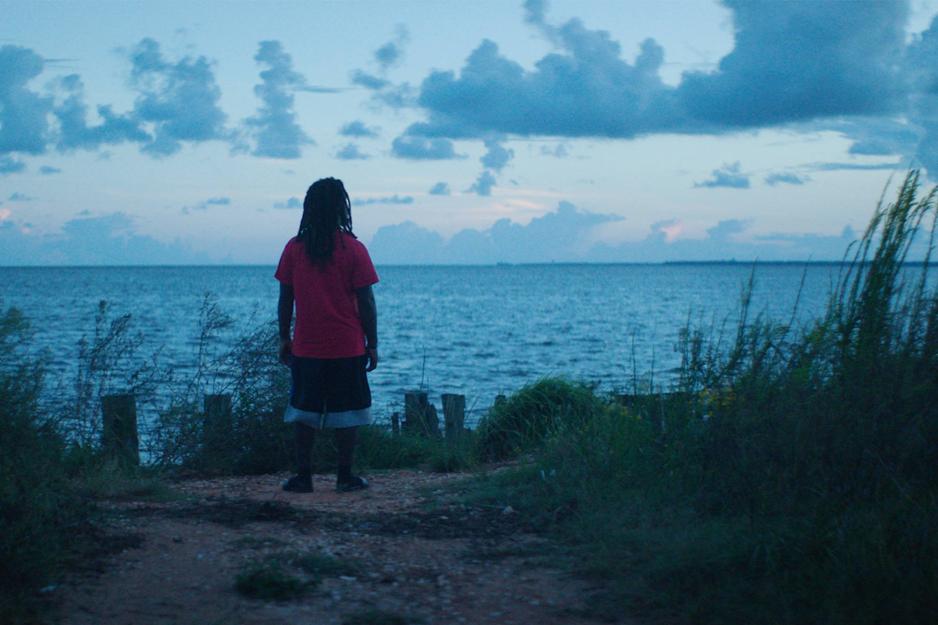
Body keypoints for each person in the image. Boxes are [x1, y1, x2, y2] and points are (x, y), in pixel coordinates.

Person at [274, 177, 379, 493]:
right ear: (340, 208)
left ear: (309, 209)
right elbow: (367, 301)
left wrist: (283, 337)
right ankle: (345, 476)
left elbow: (285, 299)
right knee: (348, 413)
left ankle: (303, 477)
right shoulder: (354, 249)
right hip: (347, 346)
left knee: (303, 413)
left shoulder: (294, 249)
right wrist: (372, 344)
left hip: (307, 348)